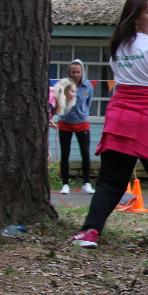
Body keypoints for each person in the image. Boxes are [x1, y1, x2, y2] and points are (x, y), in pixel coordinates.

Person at [71, 0, 148, 251]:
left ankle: (91, 230)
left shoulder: (118, 46)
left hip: (120, 114)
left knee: (110, 179)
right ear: (135, 16)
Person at [49, 59, 95, 195]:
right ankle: (65, 184)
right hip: (65, 122)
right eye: (73, 72)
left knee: (85, 153)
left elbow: (88, 104)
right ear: (69, 72)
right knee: (65, 154)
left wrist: (82, 113)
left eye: (78, 72)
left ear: (82, 72)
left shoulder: (88, 86)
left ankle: (86, 183)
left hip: (82, 122)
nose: (76, 75)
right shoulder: (64, 85)